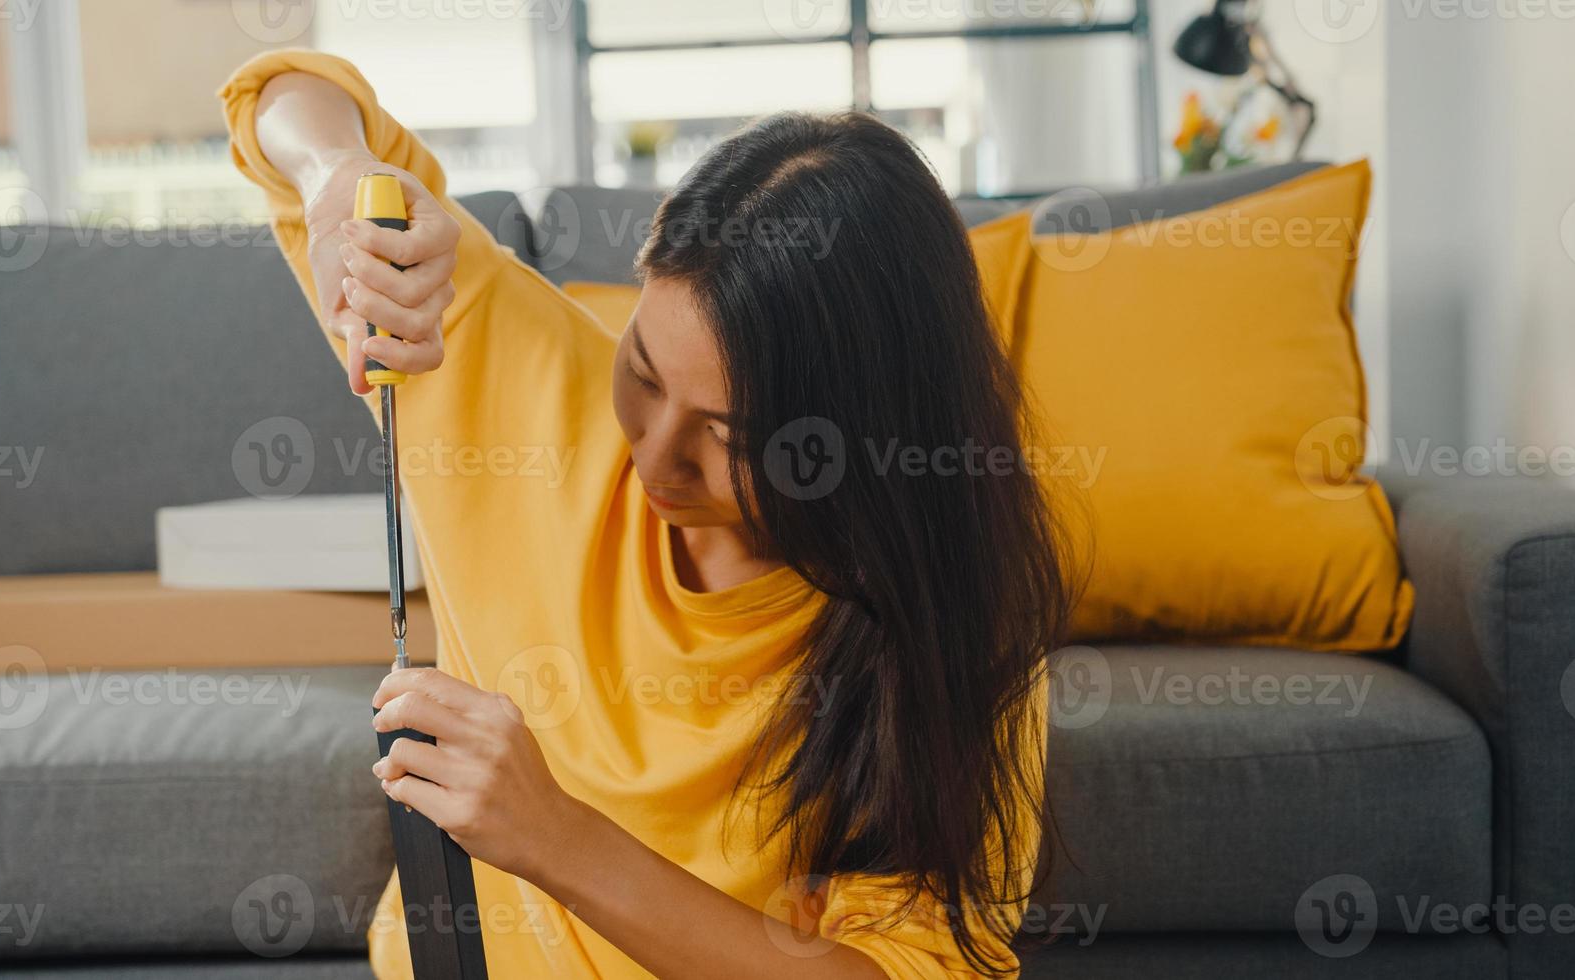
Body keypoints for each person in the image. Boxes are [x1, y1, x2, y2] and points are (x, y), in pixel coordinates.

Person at [220, 49, 1070, 979]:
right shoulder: (525, 383)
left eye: (730, 436)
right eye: (643, 373)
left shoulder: (951, 629)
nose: (653, 457)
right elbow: (281, 94)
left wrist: (557, 839)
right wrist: (336, 173)